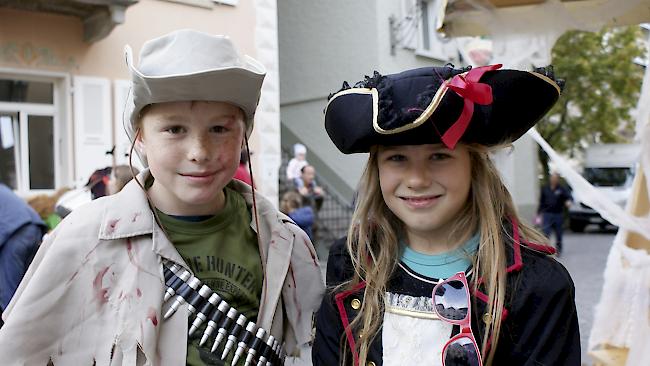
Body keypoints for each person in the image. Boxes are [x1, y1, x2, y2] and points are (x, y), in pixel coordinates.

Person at [0, 29, 323, 365]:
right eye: (174, 129)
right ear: (140, 138)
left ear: (243, 135)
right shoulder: (82, 239)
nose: (199, 152)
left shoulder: (286, 244)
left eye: (219, 129)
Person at [312, 64, 580, 365]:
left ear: (474, 166)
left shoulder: (536, 285)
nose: (416, 179)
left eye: (439, 156)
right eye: (397, 158)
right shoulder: (352, 260)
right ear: (377, 171)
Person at [0, 184, 47, 316]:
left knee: (8, 292)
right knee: (26, 288)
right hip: (33, 227)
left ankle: (10, 331)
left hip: (15, 233)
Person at [537, 172, 572, 255]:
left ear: (558, 180)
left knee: (559, 233)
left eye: (556, 178)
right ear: (550, 179)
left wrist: (568, 202)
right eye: (552, 178)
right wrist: (538, 213)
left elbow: (568, 197)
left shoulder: (561, 189)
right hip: (547, 214)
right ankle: (546, 249)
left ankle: (559, 249)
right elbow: (541, 201)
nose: (554, 179)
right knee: (546, 232)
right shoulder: (545, 188)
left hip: (558, 214)